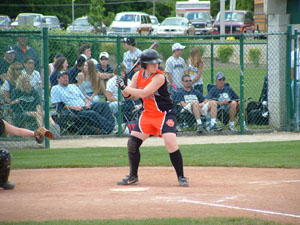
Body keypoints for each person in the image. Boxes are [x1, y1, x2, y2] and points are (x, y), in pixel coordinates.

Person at [116, 49, 189, 187]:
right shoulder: (137, 76)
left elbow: (144, 93)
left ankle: (181, 177)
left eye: (156, 63)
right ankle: (133, 176)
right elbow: (130, 96)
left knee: (170, 142)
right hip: (147, 114)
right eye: (151, 64)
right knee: (132, 143)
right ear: (144, 65)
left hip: (164, 114)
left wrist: (124, 86)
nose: (155, 66)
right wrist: (123, 89)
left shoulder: (159, 77)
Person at [51, 71, 115, 135]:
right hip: (73, 112)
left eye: (67, 77)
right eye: (63, 77)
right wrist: (74, 107)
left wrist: (87, 103)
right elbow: (59, 105)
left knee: (103, 105)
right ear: (58, 79)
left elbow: (84, 98)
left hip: (85, 107)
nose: (66, 79)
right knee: (92, 113)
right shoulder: (55, 88)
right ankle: (111, 129)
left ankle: (113, 127)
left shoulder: (73, 86)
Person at [291, 37, 300, 123]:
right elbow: (292, 69)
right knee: (297, 103)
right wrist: (294, 80)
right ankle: (298, 122)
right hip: (297, 81)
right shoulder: (294, 54)